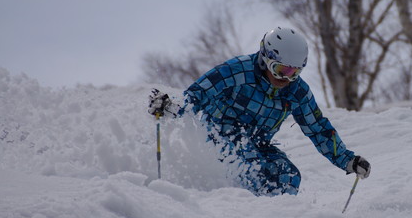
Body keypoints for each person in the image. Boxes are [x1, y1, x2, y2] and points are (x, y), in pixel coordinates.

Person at [148, 26, 371, 195]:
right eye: (280, 69)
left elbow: (318, 128)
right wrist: (169, 107)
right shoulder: (235, 71)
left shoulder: (297, 91)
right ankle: (236, 212)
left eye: (294, 72)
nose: (285, 78)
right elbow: (194, 97)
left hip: (257, 144)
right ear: (266, 59)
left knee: (288, 176)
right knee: (250, 168)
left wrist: (347, 160)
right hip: (217, 135)